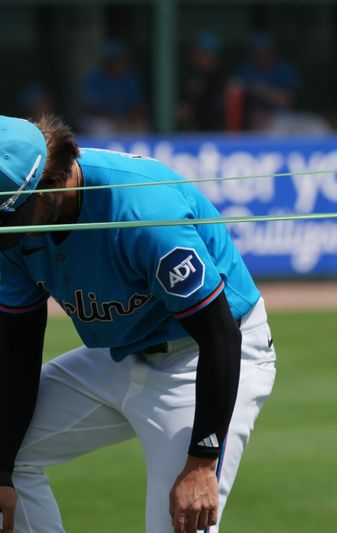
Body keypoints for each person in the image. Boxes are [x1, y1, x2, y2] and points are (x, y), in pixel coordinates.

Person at [0, 114, 276, 532]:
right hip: (119, 356)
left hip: (201, 357)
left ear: (53, 184)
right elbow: (17, 347)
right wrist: (3, 471)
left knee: (184, 518)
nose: (11, 234)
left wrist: (203, 461)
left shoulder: (141, 209)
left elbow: (219, 334)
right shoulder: (19, 218)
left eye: (15, 218)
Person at [232, 32, 298, 131]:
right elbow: (234, 93)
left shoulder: (283, 70)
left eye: (265, 52)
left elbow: (286, 100)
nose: (262, 56)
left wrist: (259, 88)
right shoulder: (247, 70)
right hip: (254, 120)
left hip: (281, 118)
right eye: (258, 52)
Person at [82, 40, 148, 135]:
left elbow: (138, 107)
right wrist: (115, 119)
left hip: (125, 121)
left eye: (120, 60)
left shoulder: (130, 80)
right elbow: (92, 109)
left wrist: (129, 118)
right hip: (105, 121)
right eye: (114, 60)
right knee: (100, 126)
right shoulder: (95, 79)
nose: (118, 64)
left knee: (140, 126)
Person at [177, 33, 229, 132]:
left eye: (205, 54)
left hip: (219, 131)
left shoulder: (224, 77)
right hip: (195, 130)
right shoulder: (192, 76)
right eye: (198, 54)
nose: (200, 58)